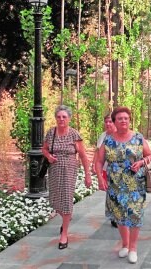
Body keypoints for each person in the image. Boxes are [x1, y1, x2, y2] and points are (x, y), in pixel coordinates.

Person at [95, 107, 151, 264]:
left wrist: (141, 162)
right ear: (114, 121)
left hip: (135, 183)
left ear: (129, 120)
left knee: (134, 214)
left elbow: (149, 155)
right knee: (119, 214)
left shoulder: (138, 137)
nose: (123, 121)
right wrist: (100, 178)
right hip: (115, 183)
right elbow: (99, 161)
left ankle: (133, 248)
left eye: (126, 118)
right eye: (119, 118)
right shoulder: (108, 140)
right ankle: (125, 245)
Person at [41, 105, 92, 250]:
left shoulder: (74, 135)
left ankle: (64, 233)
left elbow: (83, 155)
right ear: (56, 118)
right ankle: (65, 221)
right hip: (54, 170)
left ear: (69, 118)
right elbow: (44, 149)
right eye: (59, 117)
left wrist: (88, 174)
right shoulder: (51, 133)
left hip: (69, 170)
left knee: (67, 199)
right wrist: (48, 156)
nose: (61, 119)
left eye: (64, 117)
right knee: (56, 199)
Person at [95, 114, 118, 228]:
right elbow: (98, 152)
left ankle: (119, 215)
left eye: (110, 122)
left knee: (118, 191)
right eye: (106, 122)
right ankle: (113, 216)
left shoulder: (119, 135)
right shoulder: (103, 136)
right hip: (106, 168)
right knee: (110, 192)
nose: (108, 124)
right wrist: (94, 167)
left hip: (119, 170)